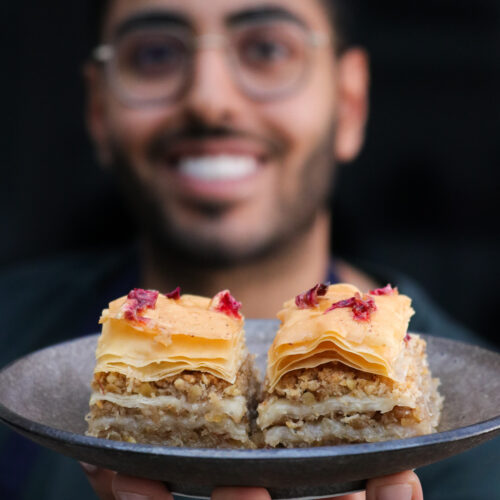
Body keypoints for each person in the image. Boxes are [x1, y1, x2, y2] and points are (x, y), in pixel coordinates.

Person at [0, 0, 497, 499]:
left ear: (349, 102)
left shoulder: (485, 456)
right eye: (153, 54)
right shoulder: (11, 330)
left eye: (267, 48)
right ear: (98, 109)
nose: (209, 101)